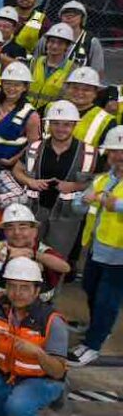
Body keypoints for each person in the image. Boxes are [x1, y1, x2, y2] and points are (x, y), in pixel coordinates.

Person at [0, 258, 68, 416]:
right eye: (12, 286)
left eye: (24, 287)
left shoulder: (52, 321)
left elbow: (58, 371)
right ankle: (15, 410)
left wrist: (38, 353)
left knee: (18, 405)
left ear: (37, 290)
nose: (17, 293)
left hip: (42, 378)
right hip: (6, 374)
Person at [13, 100, 97, 260]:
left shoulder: (89, 152)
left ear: (74, 126)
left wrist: (75, 186)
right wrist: (30, 182)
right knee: (25, 256)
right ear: (49, 124)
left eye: (66, 124)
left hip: (67, 217)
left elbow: (99, 182)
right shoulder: (35, 148)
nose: (60, 129)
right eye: (56, 123)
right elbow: (17, 169)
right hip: (34, 211)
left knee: (55, 262)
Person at [71, 125, 123, 366]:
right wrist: (82, 200)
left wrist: (106, 200)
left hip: (119, 252)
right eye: (114, 151)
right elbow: (79, 207)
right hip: (96, 248)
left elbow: (113, 204)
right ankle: (99, 326)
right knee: (90, 289)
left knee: (107, 299)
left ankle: (92, 345)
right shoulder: (103, 178)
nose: (118, 157)